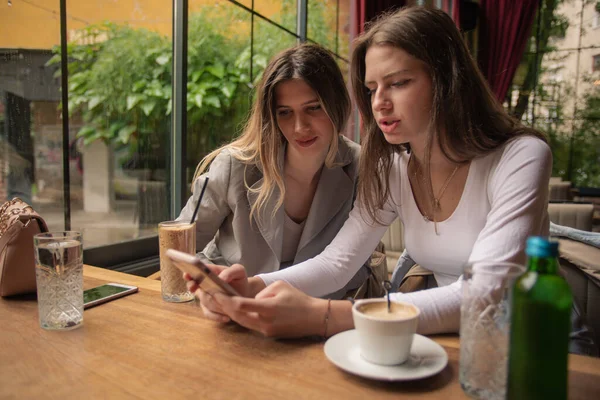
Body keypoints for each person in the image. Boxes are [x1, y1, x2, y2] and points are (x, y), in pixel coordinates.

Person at [189, 6, 552, 337]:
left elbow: (485, 293)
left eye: (398, 83)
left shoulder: (520, 156)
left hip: (524, 342)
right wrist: (253, 287)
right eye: (371, 88)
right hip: (447, 336)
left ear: (447, 79)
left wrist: (324, 315)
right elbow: (337, 263)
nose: (379, 103)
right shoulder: (394, 166)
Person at [178, 44, 370, 318]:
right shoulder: (235, 165)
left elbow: (354, 264)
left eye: (313, 108)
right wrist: (207, 293)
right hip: (232, 312)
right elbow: (180, 246)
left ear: (337, 103)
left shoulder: (360, 166)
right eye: (285, 112)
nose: (299, 127)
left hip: (315, 316)